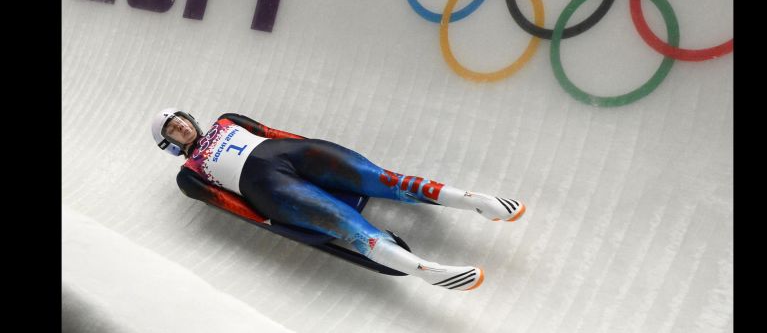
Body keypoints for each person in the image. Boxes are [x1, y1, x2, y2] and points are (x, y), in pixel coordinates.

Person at [151, 108, 525, 291]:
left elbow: (271, 132)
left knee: (382, 178)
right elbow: (232, 207)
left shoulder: (227, 120)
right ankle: (424, 270)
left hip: (291, 153)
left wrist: (309, 147)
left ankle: (476, 200)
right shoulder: (190, 176)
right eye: (172, 129)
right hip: (269, 191)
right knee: (347, 225)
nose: (181, 126)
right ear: (170, 143)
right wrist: (273, 223)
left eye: (180, 120)